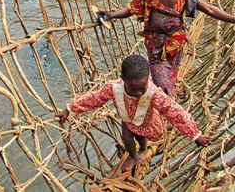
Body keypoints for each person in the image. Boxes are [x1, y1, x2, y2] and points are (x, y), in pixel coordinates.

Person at [98, 0, 235, 96]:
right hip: (155, 46)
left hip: (175, 45)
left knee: (171, 78)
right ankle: (164, 112)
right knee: (161, 83)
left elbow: (210, 9)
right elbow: (131, 9)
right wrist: (111, 15)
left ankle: (166, 108)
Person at [56, 55, 211, 171]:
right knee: (127, 138)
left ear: (148, 80)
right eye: (133, 89)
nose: (138, 93)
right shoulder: (112, 88)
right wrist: (69, 109)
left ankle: (143, 149)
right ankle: (134, 155)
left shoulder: (154, 93)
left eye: (141, 88)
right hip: (127, 120)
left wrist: (195, 135)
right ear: (123, 79)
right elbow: (93, 99)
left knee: (141, 137)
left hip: (147, 122)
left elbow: (175, 112)